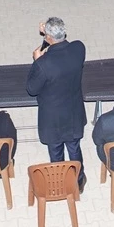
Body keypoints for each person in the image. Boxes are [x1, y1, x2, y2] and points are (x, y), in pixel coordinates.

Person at [27, 17, 88, 187]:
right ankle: (79, 180)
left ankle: (59, 180)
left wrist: (37, 60)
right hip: (73, 112)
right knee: (74, 147)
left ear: (48, 37)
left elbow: (32, 88)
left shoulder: (43, 64)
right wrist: (46, 37)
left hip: (52, 118)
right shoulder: (78, 48)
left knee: (55, 150)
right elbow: (58, 47)